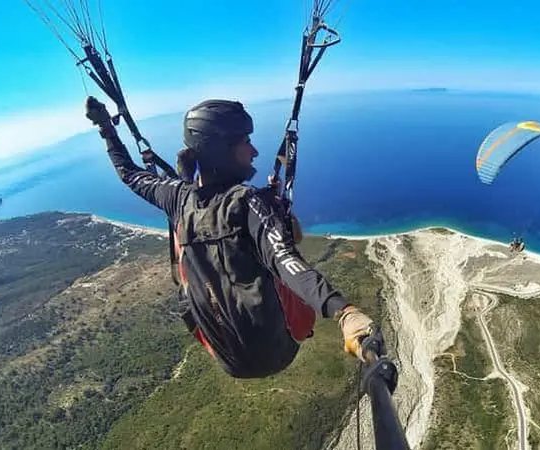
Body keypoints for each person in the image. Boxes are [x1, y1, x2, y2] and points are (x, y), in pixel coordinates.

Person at [84, 96, 375, 379]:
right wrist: (343, 311)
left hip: (226, 356)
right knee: (270, 258)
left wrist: (107, 130)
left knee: (183, 229)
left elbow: (131, 175)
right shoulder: (248, 202)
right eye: (245, 142)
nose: (255, 151)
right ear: (221, 150)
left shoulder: (176, 197)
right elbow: (285, 258)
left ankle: (191, 179)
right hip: (277, 349)